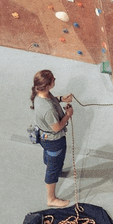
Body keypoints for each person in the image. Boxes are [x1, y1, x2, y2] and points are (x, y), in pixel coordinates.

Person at [30, 69, 73, 208]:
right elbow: (57, 127)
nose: (55, 78)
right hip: (54, 140)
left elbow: (51, 100)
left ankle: (55, 167)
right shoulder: (47, 109)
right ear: (47, 85)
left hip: (46, 139)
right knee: (53, 168)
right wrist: (68, 114)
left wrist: (61, 99)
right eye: (53, 79)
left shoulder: (41, 94)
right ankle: (51, 199)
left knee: (51, 158)